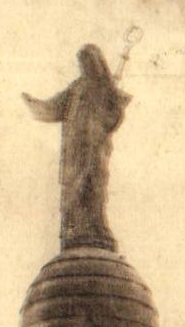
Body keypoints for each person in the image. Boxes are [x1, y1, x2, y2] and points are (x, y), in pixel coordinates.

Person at [23, 45, 130, 250]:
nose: (85, 66)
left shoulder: (105, 88)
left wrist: (113, 106)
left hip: (95, 148)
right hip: (74, 152)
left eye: (89, 62)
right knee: (74, 190)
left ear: (98, 64)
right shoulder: (76, 88)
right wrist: (34, 104)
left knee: (94, 187)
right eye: (82, 62)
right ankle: (76, 230)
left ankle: (96, 228)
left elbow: (114, 117)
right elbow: (54, 108)